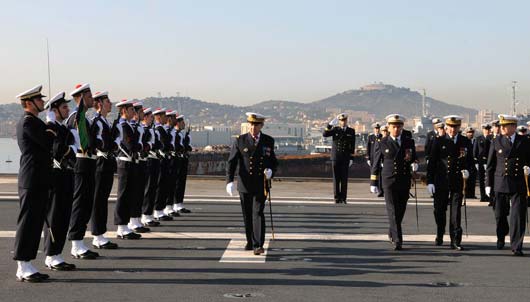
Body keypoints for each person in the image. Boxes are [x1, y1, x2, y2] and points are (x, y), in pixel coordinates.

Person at [14, 85, 56, 282]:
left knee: (36, 221)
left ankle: (28, 263)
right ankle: (23, 265)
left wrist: (49, 128)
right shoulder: (28, 122)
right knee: (28, 222)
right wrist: (51, 127)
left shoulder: (35, 122)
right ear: (29, 103)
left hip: (39, 179)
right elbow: (48, 143)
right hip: (31, 179)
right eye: (39, 100)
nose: (42, 103)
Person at [226, 112, 278, 255]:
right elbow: (232, 162)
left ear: (261, 126)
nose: (253, 127)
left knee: (258, 213)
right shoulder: (240, 140)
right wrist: (229, 181)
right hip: (245, 183)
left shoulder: (268, 141)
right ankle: (250, 240)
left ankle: (258, 244)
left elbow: (273, 161)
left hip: (261, 184)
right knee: (247, 214)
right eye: (251, 124)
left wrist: (271, 171)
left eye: (256, 125)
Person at [370, 114, 417, 250]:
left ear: (402, 127)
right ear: (389, 128)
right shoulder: (382, 142)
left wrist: (415, 164)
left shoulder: (409, 142)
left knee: (400, 210)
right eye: (394, 126)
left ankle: (392, 231)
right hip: (389, 179)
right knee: (392, 210)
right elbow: (376, 163)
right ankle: (398, 240)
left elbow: (413, 157)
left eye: (399, 126)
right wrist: (373, 182)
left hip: (404, 179)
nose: (396, 129)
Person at [486, 114, 530, 256]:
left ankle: (516, 245)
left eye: (505, 126)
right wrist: (488, 184)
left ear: (514, 127)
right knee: (500, 214)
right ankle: (501, 235)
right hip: (500, 182)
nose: (502, 128)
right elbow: (490, 165)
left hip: (518, 182)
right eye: (501, 126)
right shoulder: (496, 141)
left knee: (518, 215)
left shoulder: (524, 141)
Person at [427, 115, 473, 250]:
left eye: (455, 127)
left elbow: (470, 161)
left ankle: (455, 240)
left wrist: (468, 171)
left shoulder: (465, 141)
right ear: (446, 127)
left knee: (456, 212)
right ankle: (440, 233)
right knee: (439, 211)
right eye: (450, 127)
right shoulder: (439, 141)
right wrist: (430, 181)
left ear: (459, 128)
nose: (453, 130)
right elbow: (432, 163)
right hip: (441, 181)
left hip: (457, 181)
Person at [43, 92, 77, 271]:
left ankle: (57, 253)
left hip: (67, 174)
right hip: (55, 176)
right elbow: (57, 149)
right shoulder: (50, 128)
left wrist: (70, 149)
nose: (67, 109)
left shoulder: (62, 129)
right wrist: (70, 149)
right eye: (64, 107)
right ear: (54, 110)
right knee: (54, 216)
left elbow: (72, 151)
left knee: (64, 216)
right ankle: (51, 254)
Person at [66, 83, 100, 260]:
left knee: (86, 204)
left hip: (88, 163)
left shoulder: (84, 118)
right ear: (80, 98)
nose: (92, 100)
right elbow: (82, 144)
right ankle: (75, 244)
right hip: (81, 164)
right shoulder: (76, 117)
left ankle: (79, 241)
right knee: (80, 204)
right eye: (89, 97)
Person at [90, 91, 119, 249]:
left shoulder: (105, 122)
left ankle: (101, 234)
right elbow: (97, 143)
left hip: (107, 164)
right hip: (101, 164)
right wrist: (110, 144)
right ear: (100, 104)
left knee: (103, 200)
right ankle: (97, 235)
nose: (110, 104)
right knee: (98, 201)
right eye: (107, 101)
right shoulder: (97, 121)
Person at [114, 99, 142, 239]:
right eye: (131, 110)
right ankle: (121, 227)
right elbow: (131, 145)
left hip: (130, 162)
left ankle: (126, 225)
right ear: (124, 111)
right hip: (124, 163)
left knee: (129, 194)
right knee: (123, 195)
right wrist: (140, 146)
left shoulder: (129, 126)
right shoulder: (123, 126)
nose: (134, 112)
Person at [323, 113, 356, 204]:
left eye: (344, 120)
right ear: (339, 121)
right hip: (336, 157)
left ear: (346, 120)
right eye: (341, 120)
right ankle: (337, 198)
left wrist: (351, 158)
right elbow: (325, 134)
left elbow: (352, 145)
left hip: (345, 157)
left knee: (344, 179)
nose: (343, 122)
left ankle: (343, 198)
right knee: (336, 179)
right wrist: (329, 125)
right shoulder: (335, 129)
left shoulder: (351, 131)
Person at [141, 107, 162, 227]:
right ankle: (145, 214)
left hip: (154, 160)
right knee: (148, 188)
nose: (152, 119)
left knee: (153, 187)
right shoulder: (144, 130)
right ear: (145, 118)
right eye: (150, 117)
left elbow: (158, 144)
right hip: (149, 160)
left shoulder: (151, 130)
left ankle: (148, 214)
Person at [152, 108, 174, 222]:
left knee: (164, 185)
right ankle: (157, 210)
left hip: (164, 159)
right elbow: (162, 145)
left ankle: (160, 209)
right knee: (160, 186)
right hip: (160, 159)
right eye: (164, 116)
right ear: (159, 117)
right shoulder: (158, 129)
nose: (167, 118)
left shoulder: (161, 129)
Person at [173, 113, 193, 214]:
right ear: (178, 123)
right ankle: (175, 204)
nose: (184, 124)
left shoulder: (180, 134)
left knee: (181, 183)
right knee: (177, 183)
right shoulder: (175, 134)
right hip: (177, 160)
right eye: (182, 122)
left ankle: (179, 203)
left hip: (182, 159)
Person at [474, 124, 492, 202]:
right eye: (485, 129)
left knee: (489, 179)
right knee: (482, 180)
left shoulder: (492, 138)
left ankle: (489, 196)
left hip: (490, 162)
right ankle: (483, 196)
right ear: (483, 130)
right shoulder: (478, 139)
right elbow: (475, 151)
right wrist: (476, 162)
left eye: (488, 129)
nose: (487, 131)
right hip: (481, 162)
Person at [366, 122, 384, 197]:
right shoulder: (371, 137)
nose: (377, 130)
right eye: (376, 129)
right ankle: (374, 187)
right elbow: (368, 148)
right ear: (374, 129)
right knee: (373, 174)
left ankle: (380, 190)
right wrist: (368, 158)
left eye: (378, 129)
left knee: (380, 175)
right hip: (373, 159)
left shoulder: (382, 136)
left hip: (379, 159)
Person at [465, 127, 477, 199]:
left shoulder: (476, 141)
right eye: (469, 132)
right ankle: (466, 194)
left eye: (471, 132)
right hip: (466, 163)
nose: (470, 134)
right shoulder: (464, 141)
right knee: (466, 179)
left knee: (473, 179)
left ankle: (472, 194)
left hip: (474, 163)